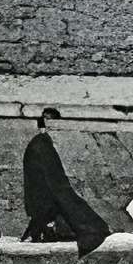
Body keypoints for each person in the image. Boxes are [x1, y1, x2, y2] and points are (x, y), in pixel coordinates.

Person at [20, 108, 108, 254]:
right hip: (46, 207)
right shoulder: (42, 147)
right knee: (92, 230)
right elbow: (58, 186)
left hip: (43, 206)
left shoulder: (41, 144)